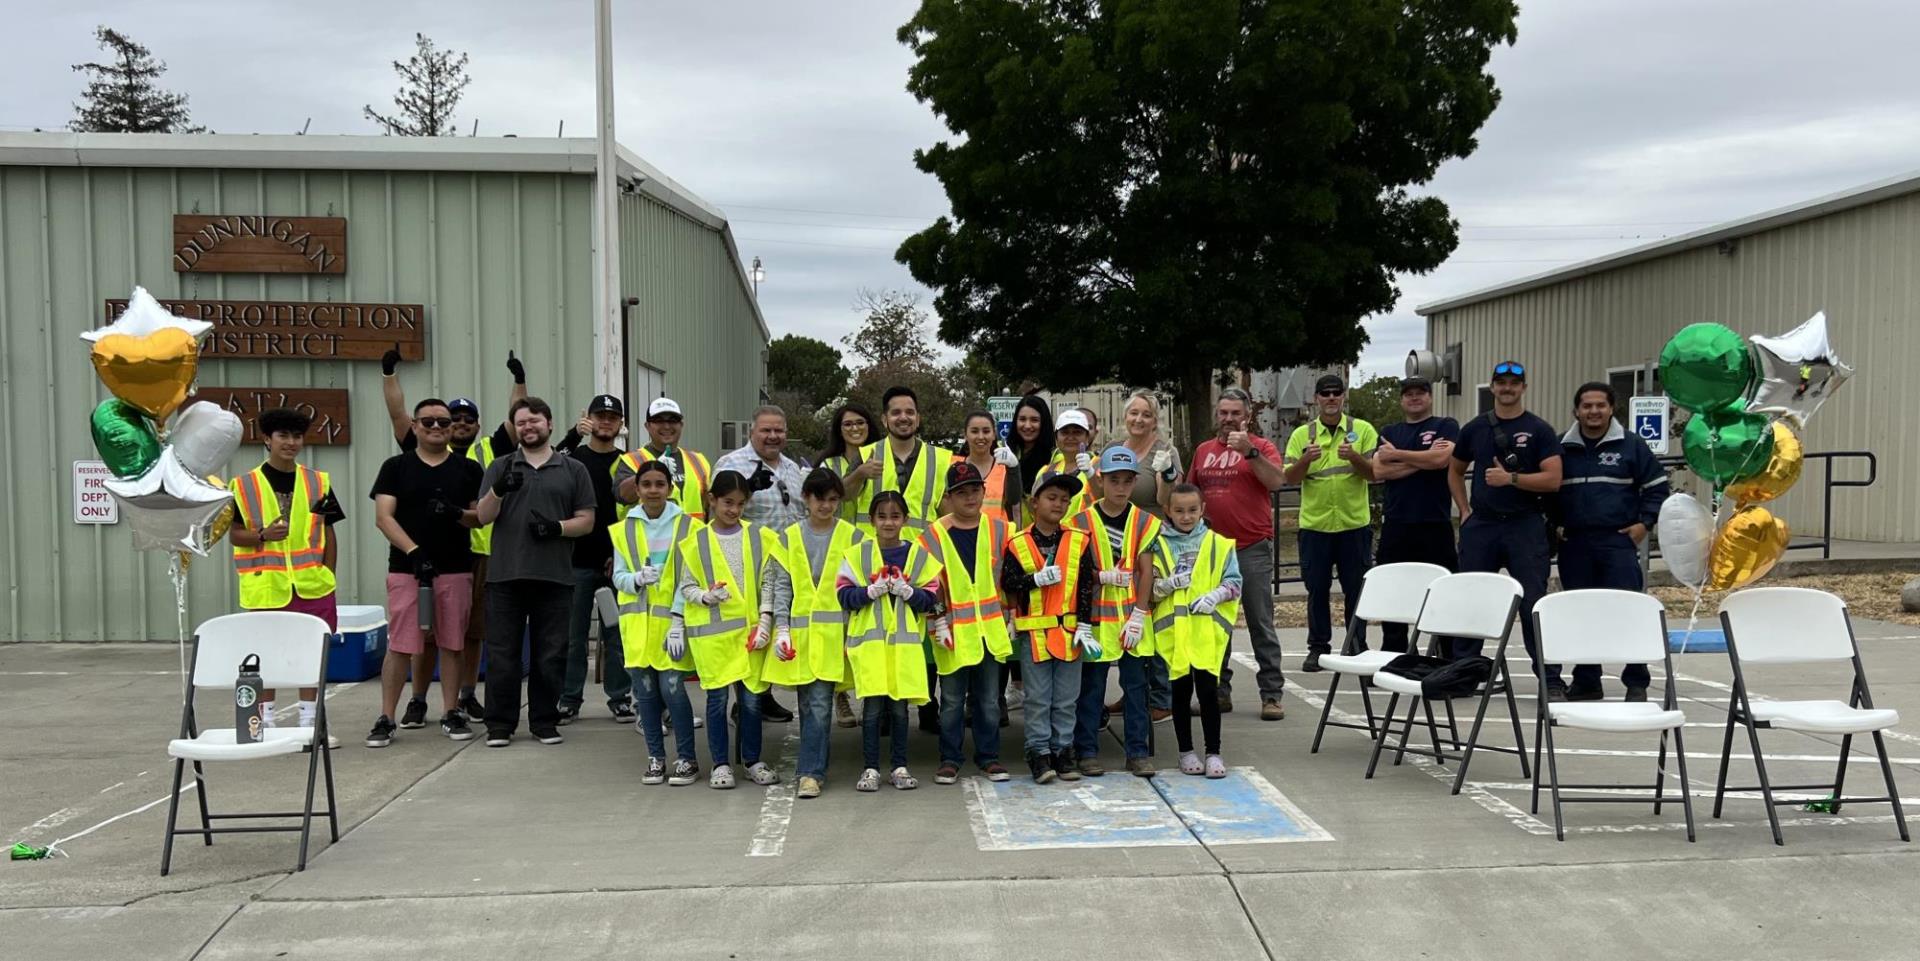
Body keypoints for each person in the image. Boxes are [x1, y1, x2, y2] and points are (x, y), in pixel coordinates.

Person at [380, 347, 526, 724]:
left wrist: (519, 380)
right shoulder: (406, 455)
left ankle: (461, 699)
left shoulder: (481, 456)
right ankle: (415, 699)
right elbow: (398, 412)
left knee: (466, 634)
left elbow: (516, 420)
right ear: (418, 426)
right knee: (415, 636)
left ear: (475, 424)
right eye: (446, 418)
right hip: (415, 562)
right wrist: (389, 374)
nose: (451, 425)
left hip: (472, 555)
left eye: (463, 419)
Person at [474, 397, 598, 747]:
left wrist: (556, 528)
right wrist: (499, 490)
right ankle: (499, 724)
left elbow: (586, 521)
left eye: (535, 421)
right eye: (522, 423)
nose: (529, 427)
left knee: (551, 652)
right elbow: (482, 517)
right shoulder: (500, 466)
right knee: (502, 654)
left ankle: (544, 720)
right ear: (516, 428)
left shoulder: (573, 469)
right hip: (505, 576)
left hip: (555, 576)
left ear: (550, 425)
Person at [366, 399, 484, 747]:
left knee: (452, 641)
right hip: (407, 569)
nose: (437, 428)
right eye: (429, 422)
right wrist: (413, 551)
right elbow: (383, 517)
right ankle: (387, 716)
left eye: (444, 423)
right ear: (414, 426)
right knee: (402, 643)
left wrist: (455, 512)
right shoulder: (395, 467)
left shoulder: (468, 471)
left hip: (455, 567)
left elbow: (479, 517)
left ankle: (451, 711)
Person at [1447, 362, 1566, 695]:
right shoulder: (1475, 428)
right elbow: (1455, 470)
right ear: (1493, 387)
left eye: (1514, 383)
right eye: (1502, 383)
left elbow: (1553, 479)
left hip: (1524, 525)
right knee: (1472, 604)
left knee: (1533, 604)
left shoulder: (1539, 429)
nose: (1508, 388)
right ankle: (1464, 674)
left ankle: (1550, 679)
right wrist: (1465, 510)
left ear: (1524, 387)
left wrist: (1511, 479)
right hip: (1482, 525)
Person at [228, 407, 342, 730]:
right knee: (266, 656)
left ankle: (310, 721)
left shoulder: (319, 482)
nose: (291, 443)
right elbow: (233, 533)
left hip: (313, 584)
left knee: (311, 655)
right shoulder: (243, 485)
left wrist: (329, 574)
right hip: (266, 587)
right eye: (283, 436)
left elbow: (329, 531)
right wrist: (262, 534)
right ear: (267, 439)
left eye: (296, 436)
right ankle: (264, 722)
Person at [1554, 382, 1669, 702]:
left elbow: (1658, 488)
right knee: (1582, 613)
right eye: (1587, 406)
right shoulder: (1560, 446)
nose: (1593, 411)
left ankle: (1636, 681)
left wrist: (1644, 524)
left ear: (1611, 409)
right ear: (1576, 410)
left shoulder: (1631, 446)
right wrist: (1555, 524)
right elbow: (1546, 489)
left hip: (1617, 542)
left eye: (1600, 405)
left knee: (1629, 611)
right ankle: (1587, 681)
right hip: (1575, 544)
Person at [670, 470, 782, 789]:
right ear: (712, 500)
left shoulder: (761, 537)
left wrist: (765, 619)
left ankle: (752, 760)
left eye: (741, 504)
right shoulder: (694, 543)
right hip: (715, 639)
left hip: (751, 636)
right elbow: (687, 586)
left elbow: (769, 581)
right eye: (728, 503)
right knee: (716, 702)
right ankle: (720, 764)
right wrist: (704, 597)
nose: (734, 510)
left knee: (751, 702)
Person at [1185, 387, 1287, 719]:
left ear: (1247, 416)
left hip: (1252, 548)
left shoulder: (1262, 447)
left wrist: (1251, 453)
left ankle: (1271, 694)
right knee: (1217, 625)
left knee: (1260, 623)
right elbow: (1190, 494)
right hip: (1212, 550)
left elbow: (1276, 482)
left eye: (1235, 414)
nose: (1229, 419)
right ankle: (1218, 691)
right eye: (1224, 413)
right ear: (1217, 414)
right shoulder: (1203, 451)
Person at [765, 468, 865, 798]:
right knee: (808, 706)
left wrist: (855, 634)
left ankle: (811, 772)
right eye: (819, 498)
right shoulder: (790, 537)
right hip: (800, 637)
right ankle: (813, 766)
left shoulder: (852, 537)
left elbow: (858, 589)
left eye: (833, 499)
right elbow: (782, 585)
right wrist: (781, 628)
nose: (826, 505)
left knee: (820, 705)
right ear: (806, 498)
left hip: (836, 636)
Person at [837, 490, 942, 792]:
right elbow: (844, 595)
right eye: (882, 516)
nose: (888, 522)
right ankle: (870, 768)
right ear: (871, 519)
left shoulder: (918, 555)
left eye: (895, 516)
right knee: (871, 712)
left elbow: (931, 599)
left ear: (905, 520)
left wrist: (911, 593)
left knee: (899, 710)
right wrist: (869, 592)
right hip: (870, 648)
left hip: (903, 648)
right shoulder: (857, 554)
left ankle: (899, 766)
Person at [1067, 447, 1162, 778]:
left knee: (1136, 687)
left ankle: (1137, 752)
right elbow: (1072, 571)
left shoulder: (1145, 522)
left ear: (1135, 482)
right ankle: (1087, 751)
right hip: (1093, 618)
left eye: (1126, 480)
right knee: (1091, 687)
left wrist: (1139, 613)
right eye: (1113, 480)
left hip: (1130, 619)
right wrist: (1100, 576)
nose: (1120, 487)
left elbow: (1147, 572)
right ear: (1100, 480)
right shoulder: (1079, 522)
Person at [1002, 473, 1101, 783]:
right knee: (1038, 697)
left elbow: (1086, 585)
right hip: (1036, 635)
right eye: (1051, 497)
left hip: (1070, 633)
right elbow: (1007, 583)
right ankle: (1039, 753)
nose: (1059, 503)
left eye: (1064, 499)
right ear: (1035, 503)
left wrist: (1085, 625)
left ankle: (1063, 751)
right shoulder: (1018, 543)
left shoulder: (1078, 540)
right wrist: (1034, 579)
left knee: (1066, 698)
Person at [611, 460, 703, 786]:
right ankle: (655, 757)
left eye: (659, 484)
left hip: (672, 625)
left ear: (670, 488)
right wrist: (636, 578)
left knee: (674, 690)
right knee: (646, 694)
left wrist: (678, 618)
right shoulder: (622, 530)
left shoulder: (688, 527)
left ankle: (687, 758)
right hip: (637, 626)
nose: (653, 490)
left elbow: (692, 575)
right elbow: (617, 577)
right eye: (646, 484)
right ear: (636, 490)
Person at [714, 405, 809, 723]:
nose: (773, 436)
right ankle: (744, 701)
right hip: (748, 564)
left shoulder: (793, 469)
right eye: (766, 430)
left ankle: (763, 696)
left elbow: (799, 513)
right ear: (751, 431)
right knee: (750, 631)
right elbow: (717, 510)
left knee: (774, 629)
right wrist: (748, 489)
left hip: (786, 563)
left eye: (779, 430)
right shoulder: (731, 464)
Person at [921, 462, 1013, 784]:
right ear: (948, 498)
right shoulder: (932, 536)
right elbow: (928, 583)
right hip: (953, 632)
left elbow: (1009, 577)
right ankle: (950, 758)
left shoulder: (1001, 529)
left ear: (984, 492)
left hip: (989, 630)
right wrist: (937, 619)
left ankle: (989, 757)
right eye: (961, 492)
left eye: (975, 490)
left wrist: (1011, 613)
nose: (969, 497)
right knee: (950, 702)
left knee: (988, 702)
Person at [1282, 374, 1378, 673]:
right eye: (1325, 393)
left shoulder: (1361, 430)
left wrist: (1355, 458)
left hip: (1353, 525)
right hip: (1316, 526)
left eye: (1337, 393)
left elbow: (1374, 473)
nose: (1331, 398)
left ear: (1344, 396)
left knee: (1355, 589)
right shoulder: (1302, 435)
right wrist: (1305, 461)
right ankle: (1318, 649)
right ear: (1316, 399)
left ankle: (1356, 645)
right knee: (1317, 590)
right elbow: (1290, 478)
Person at [1151, 484, 1242, 779]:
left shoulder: (1218, 543)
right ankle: (1185, 751)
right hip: (1174, 634)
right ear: (1167, 511)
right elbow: (1149, 587)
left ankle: (1214, 751)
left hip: (1206, 632)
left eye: (1192, 510)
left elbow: (1234, 582)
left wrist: (1217, 595)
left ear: (1203, 509)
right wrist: (1164, 586)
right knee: (1179, 694)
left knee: (1208, 693)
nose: (1186, 516)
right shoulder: (1158, 544)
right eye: (1179, 510)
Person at [1369, 376, 1461, 652]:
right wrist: (1423, 459)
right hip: (1397, 523)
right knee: (1394, 591)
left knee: (1442, 591)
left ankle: (1446, 653)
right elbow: (1379, 471)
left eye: (1420, 392)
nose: (1414, 398)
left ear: (1430, 397)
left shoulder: (1445, 425)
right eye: (1408, 394)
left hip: (1434, 522)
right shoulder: (1390, 430)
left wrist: (1398, 455)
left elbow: (1442, 460)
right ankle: (1395, 651)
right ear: (1401, 400)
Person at [559, 394, 633, 724]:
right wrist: (572, 433)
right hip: (575, 561)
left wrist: (620, 555)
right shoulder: (573, 457)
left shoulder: (628, 463)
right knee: (572, 637)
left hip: (615, 562)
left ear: (621, 424)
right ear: (588, 419)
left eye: (612, 417)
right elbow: (544, 459)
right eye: (599, 416)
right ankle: (569, 697)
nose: (606, 422)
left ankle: (620, 697)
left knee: (617, 635)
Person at [1115, 390, 1183, 723]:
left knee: (1154, 615)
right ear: (1125, 416)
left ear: (1155, 419)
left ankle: (1160, 697)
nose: (1139, 419)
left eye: (1146, 414)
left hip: (1155, 539)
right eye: (1134, 413)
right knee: (1128, 613)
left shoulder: (1165, 451)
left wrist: (1166, 475)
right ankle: (1133, 693)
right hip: (1124, 541)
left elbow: (1166, 500)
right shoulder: (1119, 450)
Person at [819, 400, 876, 729]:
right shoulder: (830, 462)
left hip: (873, 551)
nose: (855, 429)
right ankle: (841, 694)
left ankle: (868, 690)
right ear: (838, 430)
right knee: (840, 624)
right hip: (838, 550)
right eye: (848, 424)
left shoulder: (881, 456)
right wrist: (858, 473)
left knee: (868, 625)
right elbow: (838, 495)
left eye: (860, 423)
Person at [846, 386, 954, 535]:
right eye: (896, 413)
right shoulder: (865, 455)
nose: (903, 417)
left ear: (917, 419)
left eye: (910, 412)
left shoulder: (940, 459)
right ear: (885, 420)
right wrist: (859, 474)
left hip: (921, 554)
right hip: (874, 553)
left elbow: (950, 516)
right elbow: (843, 496)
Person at [615, 397, 713, 523]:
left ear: (681, 425)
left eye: (673, 420)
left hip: (692, 540)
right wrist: (649, 471)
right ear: (647, 426)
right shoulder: (632, 460)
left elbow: (711, 506)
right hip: (650, 540)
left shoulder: (699, 461)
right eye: (658, 420)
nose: (666, 426)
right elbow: (622, 496)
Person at [952, 410, 1023, 526]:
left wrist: (1014, 469)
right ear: (965, 434)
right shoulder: (953, 466)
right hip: (962, 535)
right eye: (974, 431)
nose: (981, 437)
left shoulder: (1004, 467)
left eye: (986, 431)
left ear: (994, 434)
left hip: (997, 537)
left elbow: (1014, 503)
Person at [1035, 408, 1098, 517]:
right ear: (1056, 438)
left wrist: (1091, 474)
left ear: (1087, 438)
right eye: (1065, 432)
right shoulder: (1046, 471)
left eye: (1077, 432)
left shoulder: (1099, 467)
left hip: (1087, 532)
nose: (1070, 437)